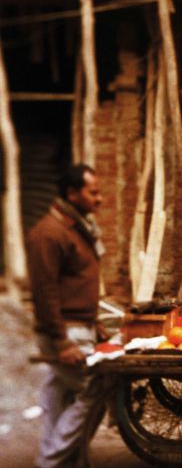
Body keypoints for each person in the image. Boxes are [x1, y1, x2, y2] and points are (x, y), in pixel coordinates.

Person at [28, 163, 104, 467]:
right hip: (66, 331)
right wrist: (61, 341)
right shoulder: (49, 233)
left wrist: (95, 321)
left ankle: (60, 459)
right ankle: (52, 461)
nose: (99, 198)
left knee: (58, 396)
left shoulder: (76, 227)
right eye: (93, 192)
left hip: (81, 327)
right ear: (72, 194)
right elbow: (44, 291)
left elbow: (76, 283)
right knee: (95, 387)